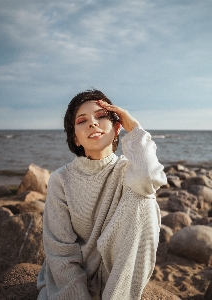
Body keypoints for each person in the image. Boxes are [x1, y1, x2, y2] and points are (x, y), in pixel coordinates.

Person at [37, 89, 167, 300]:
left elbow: (149, 179)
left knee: (144, 199)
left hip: (115, 279)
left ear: (117, 128)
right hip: (75, 279)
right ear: (75, 138)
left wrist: (133, 128)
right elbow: (60, 251)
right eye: (82, 120)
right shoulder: (61, 179)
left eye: (101, 116)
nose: (92, 123)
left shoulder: (129, 171)